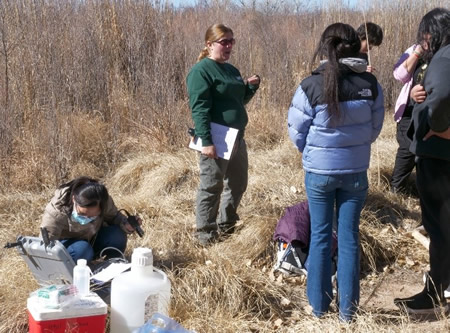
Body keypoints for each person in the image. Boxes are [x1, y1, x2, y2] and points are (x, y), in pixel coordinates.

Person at [288, 23, 384, 321]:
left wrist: (313, 152)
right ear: (356, 46)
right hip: (355, 171)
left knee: (319, 237)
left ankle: (318, 308)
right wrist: (354, 147)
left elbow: (296, 132)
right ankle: (348, 313)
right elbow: (374, 127)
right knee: (349, 238)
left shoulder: (310, 85)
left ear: (325, 46)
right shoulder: (369, 84)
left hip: (319, 173)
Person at [394, 7, 450, 315]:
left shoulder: (443, 59)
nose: (423, 40)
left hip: (438, 157)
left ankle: (435, 294)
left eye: (426, 34)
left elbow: (439, 99)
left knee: (439, 226)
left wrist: (433, 128)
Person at [186, 23, 260, 245]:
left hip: (236, 137)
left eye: (231, 41)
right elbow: (199, 109)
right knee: (212, 185)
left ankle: (226, 224)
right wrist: (206, 141)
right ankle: (205, 234)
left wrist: (249, 88)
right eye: (224, 42)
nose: (229, 46)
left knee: (238, 183)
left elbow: (237, 102)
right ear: (209, 45)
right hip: (215, 137)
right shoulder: (201, 71)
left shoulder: (231, 70)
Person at [40, 176, 141, 263]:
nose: (86, 219)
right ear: (74, 199)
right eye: (82, 214)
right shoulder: (56, 210)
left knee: (117, 235)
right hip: (70, 248)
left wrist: (126, 223)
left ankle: (112, 267)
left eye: (93, 216)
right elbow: (46, 246)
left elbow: (114, 217)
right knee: (82, 249)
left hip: (92, 238)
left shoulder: (103, 201)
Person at [389, 36, 428, 193]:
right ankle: (396, 190)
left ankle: (423, 190)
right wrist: (418, 52)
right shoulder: (413, 50)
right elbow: (399, 75)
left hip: (431, 111)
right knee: (407, 149)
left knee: (426, 153)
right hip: (409, 110)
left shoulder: (443, 52)